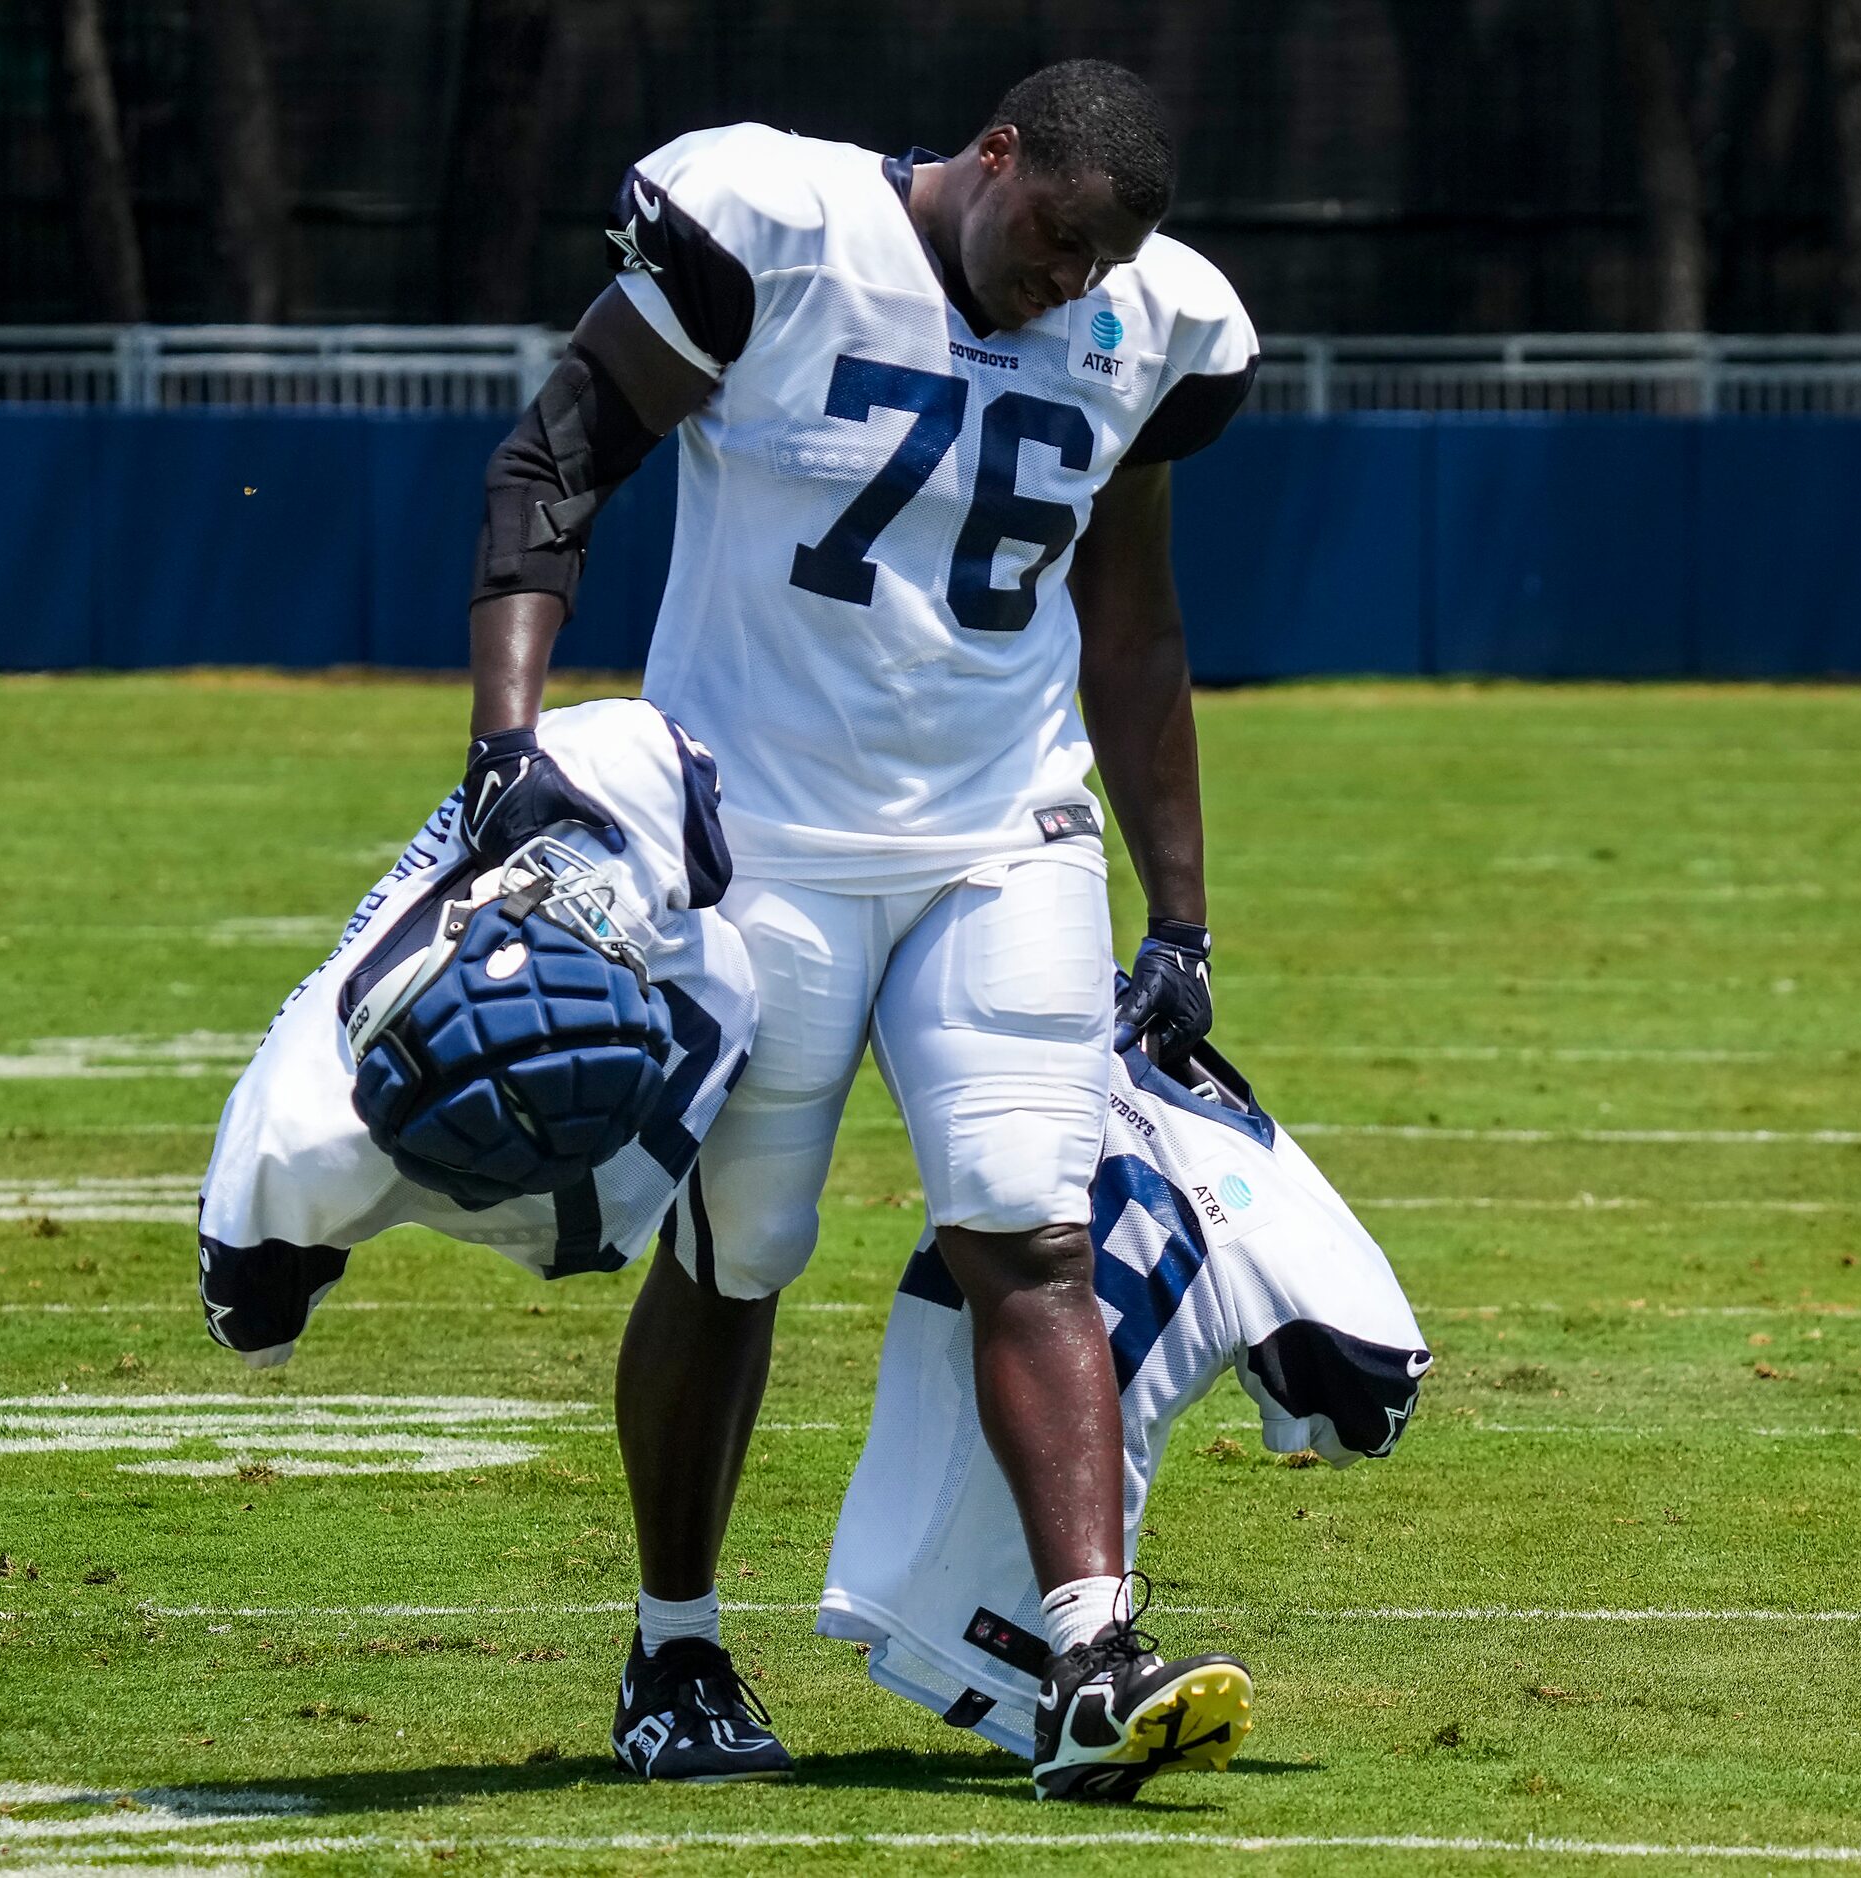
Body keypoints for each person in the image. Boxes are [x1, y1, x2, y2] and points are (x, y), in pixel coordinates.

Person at [455, 59, 1262, 1798]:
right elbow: (555, 460)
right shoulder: (781, 232)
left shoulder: (1146, 324)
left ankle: (1087, 1654)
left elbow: (1132, 630)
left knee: (1027, 1227)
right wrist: (504, 745)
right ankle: (674, 1642)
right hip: (764, 835)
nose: (1065, 287)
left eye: (1093, 269)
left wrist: (1181, 910)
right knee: (738, 1245)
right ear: (990, 158)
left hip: (1003, 832)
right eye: (1049, 240)